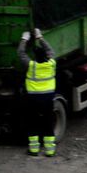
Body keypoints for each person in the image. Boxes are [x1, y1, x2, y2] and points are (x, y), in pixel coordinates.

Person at [17, 28, 57, 157]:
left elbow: (21, 53)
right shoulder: (51, 64)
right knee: (48, 122)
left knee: (32, 122)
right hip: (48, 98)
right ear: (46, 56)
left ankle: (34, 149)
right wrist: (40, 38)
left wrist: (24, 39)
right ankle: (50, 151)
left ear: (35, 57)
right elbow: (50, 50)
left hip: (33, 99)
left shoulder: (31, 66)